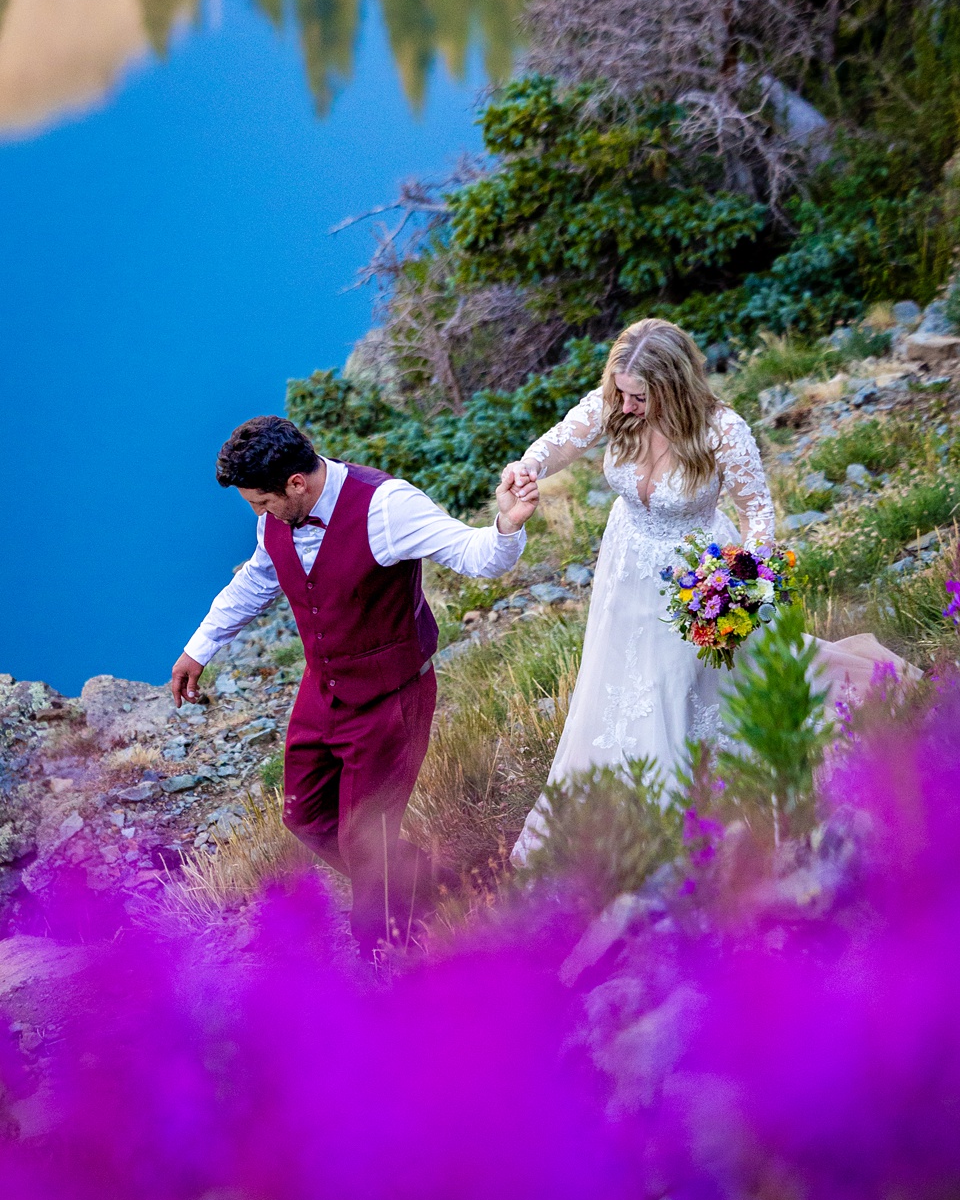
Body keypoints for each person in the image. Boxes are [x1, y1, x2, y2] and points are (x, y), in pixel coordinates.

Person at [503, 318, 914, 866]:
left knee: (679, 687)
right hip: (626, 568)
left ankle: (677, 827)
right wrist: (526, 467)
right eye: (621, 394)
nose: (626, 407)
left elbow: (758, 514)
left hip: (699, 575)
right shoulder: (616, 403)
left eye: (640, 397)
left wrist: (742, 584)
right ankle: (619, 814)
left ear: (673, 387)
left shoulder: (724, 430)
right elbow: (562, 441)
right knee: (622, 683)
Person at [172, 415, 539, 956]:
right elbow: (258, 577)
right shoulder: (276, 516)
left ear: (296, 483)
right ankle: (419, 878)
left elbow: (475, 557)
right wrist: (199, 648)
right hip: (323, 688)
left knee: (366, 840)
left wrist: (508, 527)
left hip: (392, 695)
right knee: (304, 813)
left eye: (262, 502)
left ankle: (389, 953)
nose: (260, 513)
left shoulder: (388, 505)